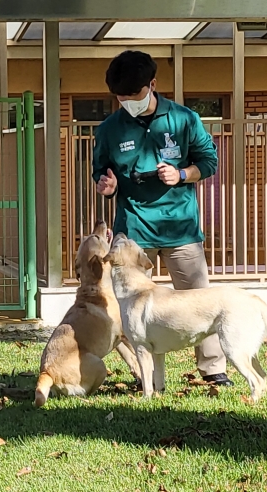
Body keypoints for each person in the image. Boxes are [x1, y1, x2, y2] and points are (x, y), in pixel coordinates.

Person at [92, 50, 233, 387]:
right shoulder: (110, 128)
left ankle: (213, 368)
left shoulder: (184, 119)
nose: (126, 101)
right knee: (132, 307)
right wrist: (107, 186)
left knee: (199, 297)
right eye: (120, 96)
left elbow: (209, 161)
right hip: (134, 230)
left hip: (180, 227)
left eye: (133, 95)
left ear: (152, 85)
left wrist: (182, 174)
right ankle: (149, 376)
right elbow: (101, 172)